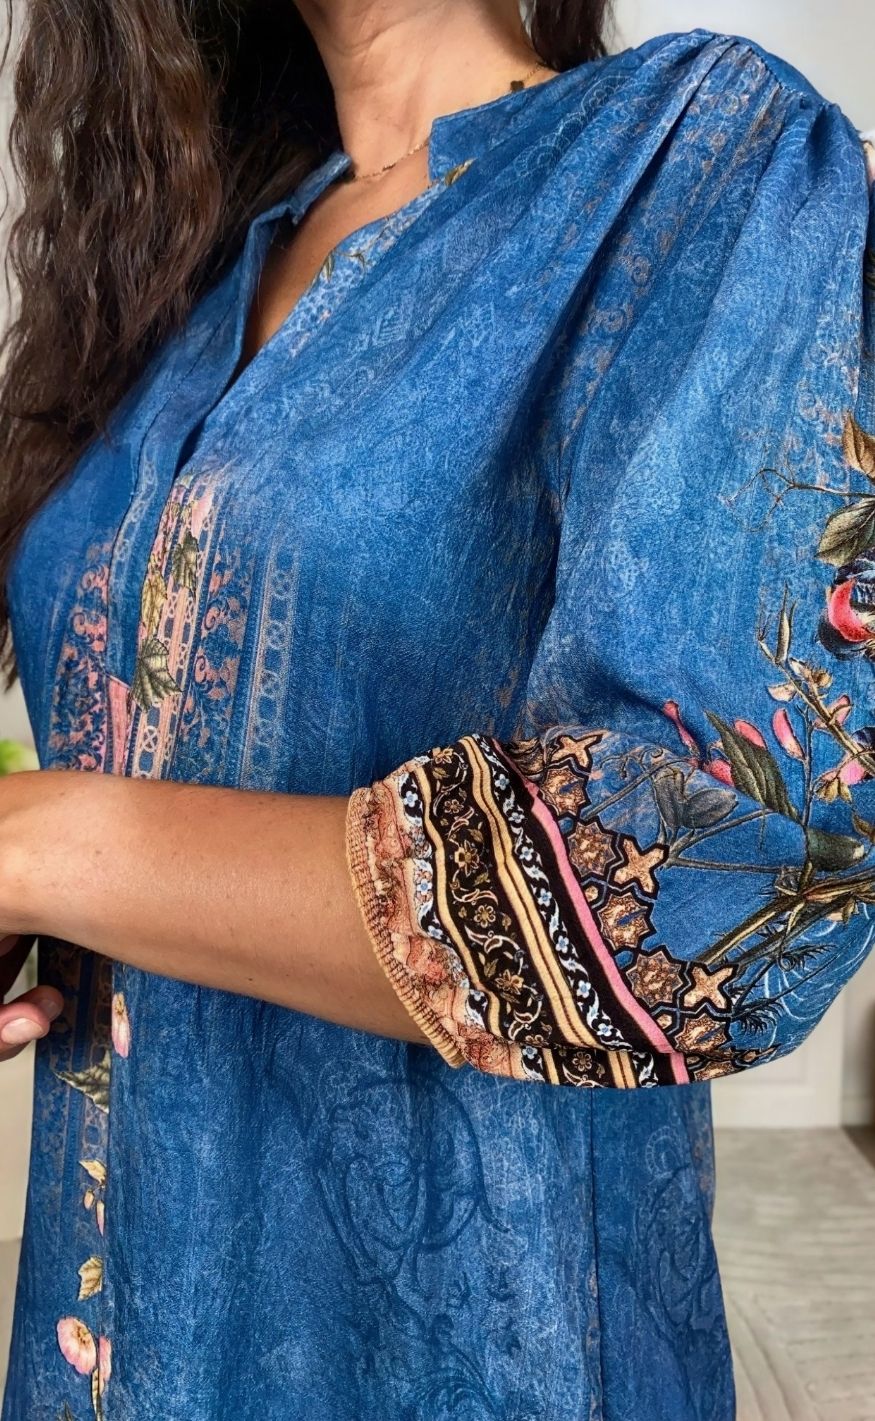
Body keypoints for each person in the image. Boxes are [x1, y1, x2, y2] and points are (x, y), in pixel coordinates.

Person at [0, 0, 872, 1415]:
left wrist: (34, 844)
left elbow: (722, 880)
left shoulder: (695, 158)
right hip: (108, 1342)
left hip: (464, 1359)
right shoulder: (191, 272)